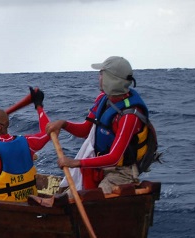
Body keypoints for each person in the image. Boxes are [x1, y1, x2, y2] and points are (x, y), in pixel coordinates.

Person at [46, 56, 151, 194]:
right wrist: (64, 124)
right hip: (99, 166)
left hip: (121, 172)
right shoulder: (103, 99)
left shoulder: (129, 115)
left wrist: (76, 163)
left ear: (111, 79)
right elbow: (85, 131)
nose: (99, 77)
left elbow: (114, 158)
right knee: (65, 196)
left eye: (102, 74)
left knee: (89, 200)